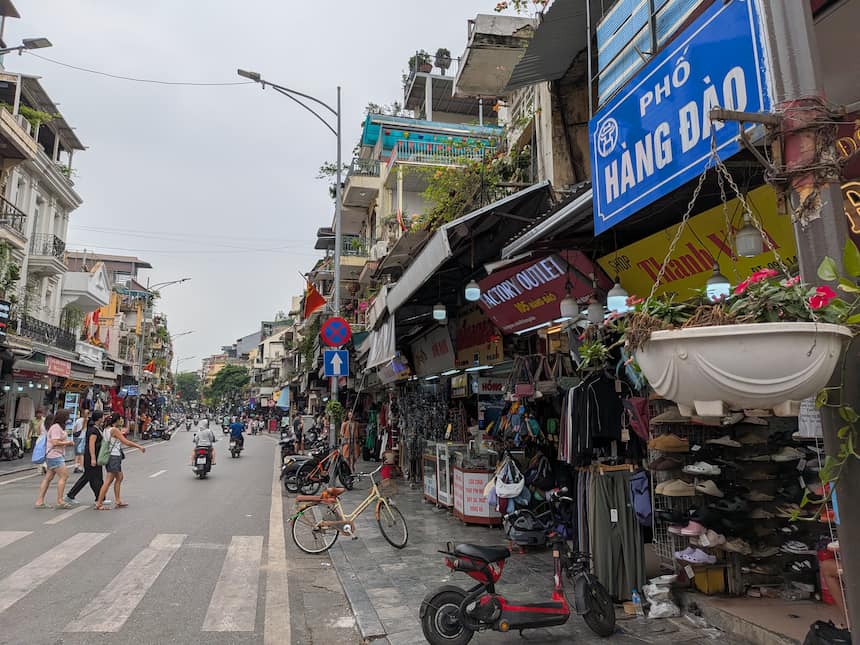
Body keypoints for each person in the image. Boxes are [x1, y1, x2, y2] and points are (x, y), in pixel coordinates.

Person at [95, 413, 146, 511]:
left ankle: (118, 500)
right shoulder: (114, 430)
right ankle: (99, 503)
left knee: (119, 477)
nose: (121, 421)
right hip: (113, 457)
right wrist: (139, 446)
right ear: (117, 420)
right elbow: (126, 442)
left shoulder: (106, 429)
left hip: (113, 457)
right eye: (120, 419)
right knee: (109, 480)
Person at [34, 409, 74, 509]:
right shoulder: (56, 427)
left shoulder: (57, 427)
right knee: (64, 476)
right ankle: (60, 500)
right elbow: (55, 442)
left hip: (53, 455)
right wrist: (67, 443)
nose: (68, 418)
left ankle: (40, 501)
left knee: (48, 478)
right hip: (55, 455)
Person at [65, 411, 107, 506]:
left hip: (96, 455)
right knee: (88, 477)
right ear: (99, 418)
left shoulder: (97, 428)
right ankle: (70, 495)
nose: (104, 418)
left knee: (97, 478)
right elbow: (91, 445)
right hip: (91, 456)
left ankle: (100, 498)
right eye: (103, 416)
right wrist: (93, 458)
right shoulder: (93, 430)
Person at [71, 409, 89, 473]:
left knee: (77, 453)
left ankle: (76, 466)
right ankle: (81, 467)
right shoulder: (88, 421)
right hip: (83, 437)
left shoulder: (78, 420)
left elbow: (74, 429)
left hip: (77, 437)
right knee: (81, 453)